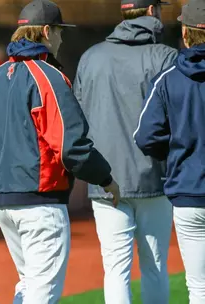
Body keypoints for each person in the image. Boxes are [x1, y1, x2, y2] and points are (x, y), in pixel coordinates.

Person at [0, 0, 121, 303]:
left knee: (29, 285)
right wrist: (105, 178)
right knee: (41, 294)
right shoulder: (49, 77)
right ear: (44, 31)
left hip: (3, 201)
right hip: (39, 201)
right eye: (58, 31)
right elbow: (71, 147)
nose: (61, 38)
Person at [72, 0, 177, 303]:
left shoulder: (91, 57)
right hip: (155, 180)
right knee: (155, 268)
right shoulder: (165, 57)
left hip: (105, 180)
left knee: (115, 270)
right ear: (149, 12)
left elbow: (78, 119)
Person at [134, 0, 205, 302]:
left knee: (200, 287)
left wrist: (177, 153)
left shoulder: (168, 78)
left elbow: (145, 136)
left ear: (186, 34)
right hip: (189, 190)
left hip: (189, 194)